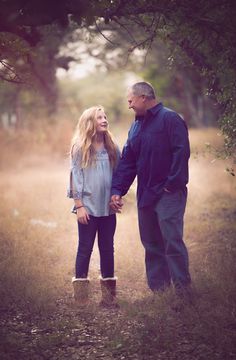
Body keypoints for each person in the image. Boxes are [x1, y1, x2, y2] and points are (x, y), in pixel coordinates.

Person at [110, 82, 191, 294]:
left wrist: (172, 185)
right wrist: (117, 189)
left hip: (168, 193)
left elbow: (181, 153)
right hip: (145, 194)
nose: (129, 105)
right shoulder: (135, 126)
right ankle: (160, 292)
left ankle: (183, 292)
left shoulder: (170, 119)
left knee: (171, 241)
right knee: (151, 243)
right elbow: (128, 162)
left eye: (131, 101)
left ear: (144, 97)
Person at [67, 105, 120, 307]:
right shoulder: (80, 148)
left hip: (108, 208)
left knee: (107, 248)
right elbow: (75, 178)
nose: (105, 120)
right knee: (85, 248)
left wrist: (117, 196)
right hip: (87, 208)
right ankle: (81, 299)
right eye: (100, 117)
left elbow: (119, 174)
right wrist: (79, 206)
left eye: (105, 117)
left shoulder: (112, 147)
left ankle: (109, 298)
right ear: (90, 123)